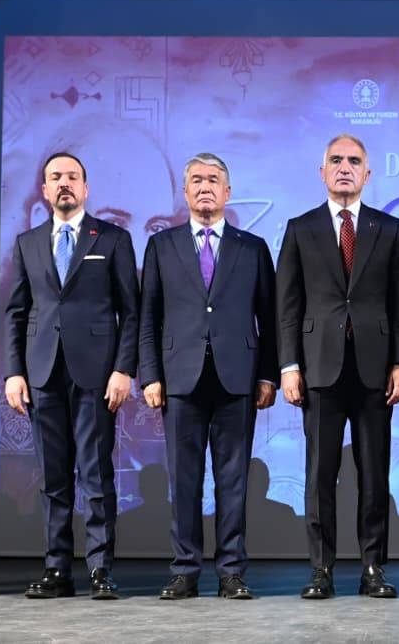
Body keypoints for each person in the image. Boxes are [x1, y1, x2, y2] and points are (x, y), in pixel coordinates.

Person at [275, 134, 399, 600]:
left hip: (376, 371)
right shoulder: (300, 228)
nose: (345, 167)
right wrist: (289, 365)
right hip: (319, 368)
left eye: (354, 161)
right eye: (336, 160)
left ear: (367, 174)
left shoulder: (388, 228)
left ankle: (373, 567)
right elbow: (287, 305)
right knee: (320, 475)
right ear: (322, 172)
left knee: (374, 475)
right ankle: (321, 569)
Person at [138, 153, 278, 601]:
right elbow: (148, 317)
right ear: (185, 192)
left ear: (227, 192)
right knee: (184, 481)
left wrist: (269, 375)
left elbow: (269, 318)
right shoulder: (162, 246)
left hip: (238, 378)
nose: (205, 187)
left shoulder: (252, 248)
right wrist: (150, 375)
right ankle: (185, 570)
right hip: (179, 379)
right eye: (196, 180)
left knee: (233, 481)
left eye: (213, 180)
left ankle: (231, 572)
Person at [4, 152, 140, 600]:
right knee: (53, 478)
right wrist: (14, 372)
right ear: (44, 190)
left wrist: (124, 369)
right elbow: (17, 312)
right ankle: (57, 570)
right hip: (42, 374)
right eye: (55, 177)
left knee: (97, 475)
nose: (64, 183)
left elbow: (131, 312)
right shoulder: (27, 242)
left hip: (97, 375)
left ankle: (100, 569)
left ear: (85, 187)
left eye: (72, 177)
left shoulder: (113, 238)